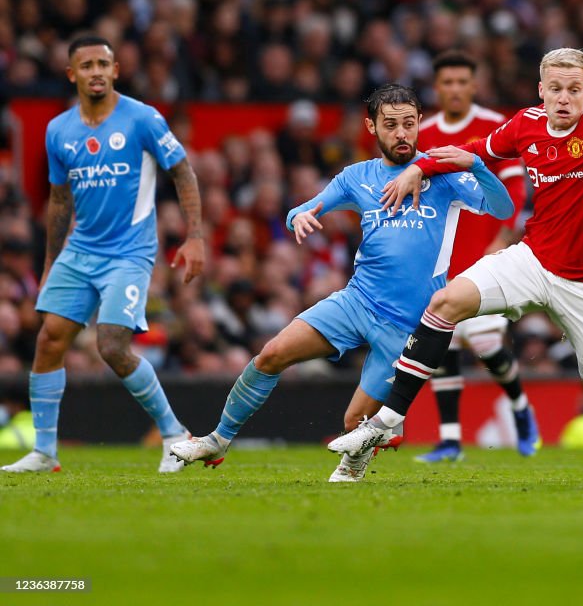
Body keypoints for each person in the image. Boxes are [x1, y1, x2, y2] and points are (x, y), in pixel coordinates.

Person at [330, 48, 583, 482]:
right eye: (555, 89)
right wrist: (423, 168)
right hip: (532, 259)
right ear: (541, 91)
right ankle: (388, 420)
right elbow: (476, 152)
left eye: (574, 90)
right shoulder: (525, 124)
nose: (564, 98)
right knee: (444, 303)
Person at [168, 84, 513, 482]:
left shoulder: (441, 174)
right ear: (372, 127)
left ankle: (357, 461)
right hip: (356, 302)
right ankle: (218, 440)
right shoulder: (357, 177)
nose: (402, 133)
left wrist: (477, 165)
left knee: (354, 423)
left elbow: (503, 208)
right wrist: (298, 217)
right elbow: (302, 209)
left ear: (420, 122)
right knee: (271, 354)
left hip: (407, 327)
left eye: (409, 123)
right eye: (391, 125)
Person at [1, 36, 205, 474]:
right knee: (49, 339)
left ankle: (174, 435)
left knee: (111, 344)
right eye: (86, 65)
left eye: (102, 64)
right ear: (71, 74)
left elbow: (183, 171)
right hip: (80, 250)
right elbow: (59, 201)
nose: (95, 72)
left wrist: (195, 236)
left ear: (115, 70)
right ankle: (44, 452)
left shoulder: (143, 118)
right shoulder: (59, 130)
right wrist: (50, 262)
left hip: (129, 252)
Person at [415, 51, 537, 463]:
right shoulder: (424, 133)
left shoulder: (493, 127)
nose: (454, 89)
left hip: (484, 260)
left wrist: (501, 238)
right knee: (441, 348)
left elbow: (515, 189)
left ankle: (521, 408)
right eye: (447, 82)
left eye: (461, 82)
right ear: (437, 88)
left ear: (473, 85)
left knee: (487, 347)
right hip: (439, 263)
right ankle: (450, 440)